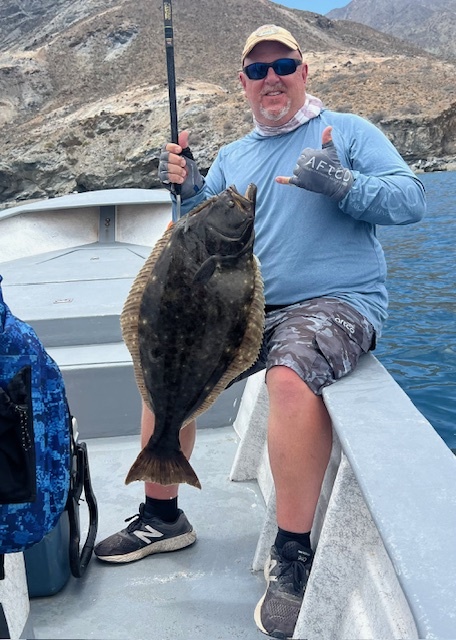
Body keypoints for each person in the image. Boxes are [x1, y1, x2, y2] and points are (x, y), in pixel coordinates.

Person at [94, 24, 426, 639]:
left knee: (290, 376)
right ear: (243, 84)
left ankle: (292, 553)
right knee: (164, 362)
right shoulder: (235, 157)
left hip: (335, 301)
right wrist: (190, 188)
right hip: (247, 307)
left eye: (283, 65)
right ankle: (162, 515)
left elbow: (411, 200)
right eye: (257, 70)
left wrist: (343, 183)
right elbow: (193, 233)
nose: (271, 78)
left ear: (305, 71)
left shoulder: (349, 132)